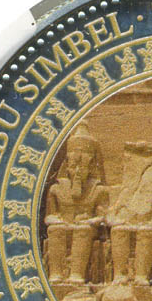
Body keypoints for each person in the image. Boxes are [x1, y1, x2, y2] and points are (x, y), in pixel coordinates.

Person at [45, 121, 108, 284]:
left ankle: (76, 274)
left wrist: (89, 221)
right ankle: (56, 274)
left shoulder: (98, 189)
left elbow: (103, 217)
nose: (78, 172)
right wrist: (58, 220)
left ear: (91, 167)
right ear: (67, 167)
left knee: (83, 230)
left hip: (86, 228)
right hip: (64, 225)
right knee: (55, 229)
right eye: (74, 167)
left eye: (83, 167)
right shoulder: (57, 189)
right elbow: (49, 216)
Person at [106, 141, 152, 286]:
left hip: (145, 218)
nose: (128, 165)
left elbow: (148, 206)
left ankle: (141, 275)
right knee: (118, 230)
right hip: (127, 218)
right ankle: (120, 274)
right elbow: (111, 212)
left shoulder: (149, 177)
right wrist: (116, 218)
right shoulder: (120, 188)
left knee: (146, 232)